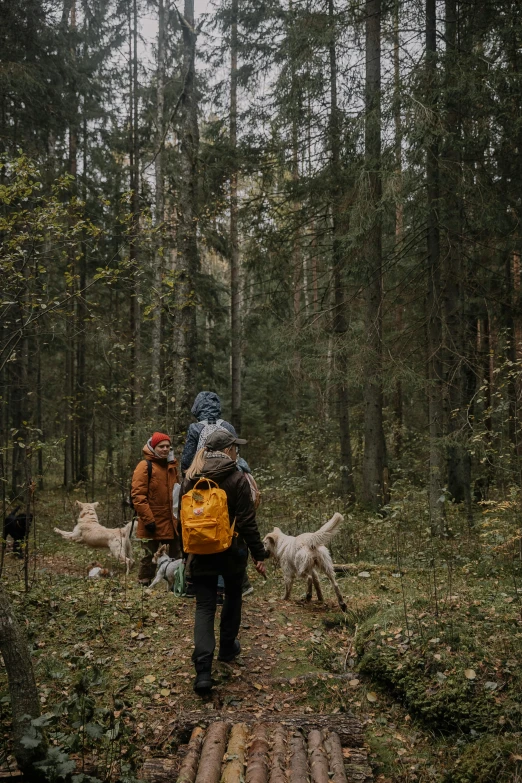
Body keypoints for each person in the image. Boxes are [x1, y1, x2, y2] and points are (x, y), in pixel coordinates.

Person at [179, 429, 267, 695]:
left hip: (200, 552)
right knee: (232, 596)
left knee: (204, 606)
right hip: (231, 552)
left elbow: (181, 520)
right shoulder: (237, 478)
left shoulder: (191, 477)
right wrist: (259, 552)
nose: (236, 451)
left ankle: (203, 672)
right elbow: (247, 521)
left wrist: (187, 556)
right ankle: (227, 648)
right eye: (234, 447)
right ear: (227, 450)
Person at [181, 391, 254, 599]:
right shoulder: (228, 426)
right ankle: (228, 584)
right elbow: (236, 455)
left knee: (201, 527)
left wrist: (186, 483)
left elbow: (187, 461)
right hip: (231, 482)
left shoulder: (195, 428)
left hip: (203, 486)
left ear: (197, 408)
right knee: (229, 530)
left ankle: (195, 580)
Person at [131, 432, 180, 585]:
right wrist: (148, 519)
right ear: (153, 447)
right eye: (161, 446)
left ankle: (176, 583)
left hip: (171, 519)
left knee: (176, 554)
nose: (165, 449)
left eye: (167, 446)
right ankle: (144, 583)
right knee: (149, 554)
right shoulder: (145, 466)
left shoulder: (172, 466)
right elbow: (138, 496)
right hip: (152, 519)